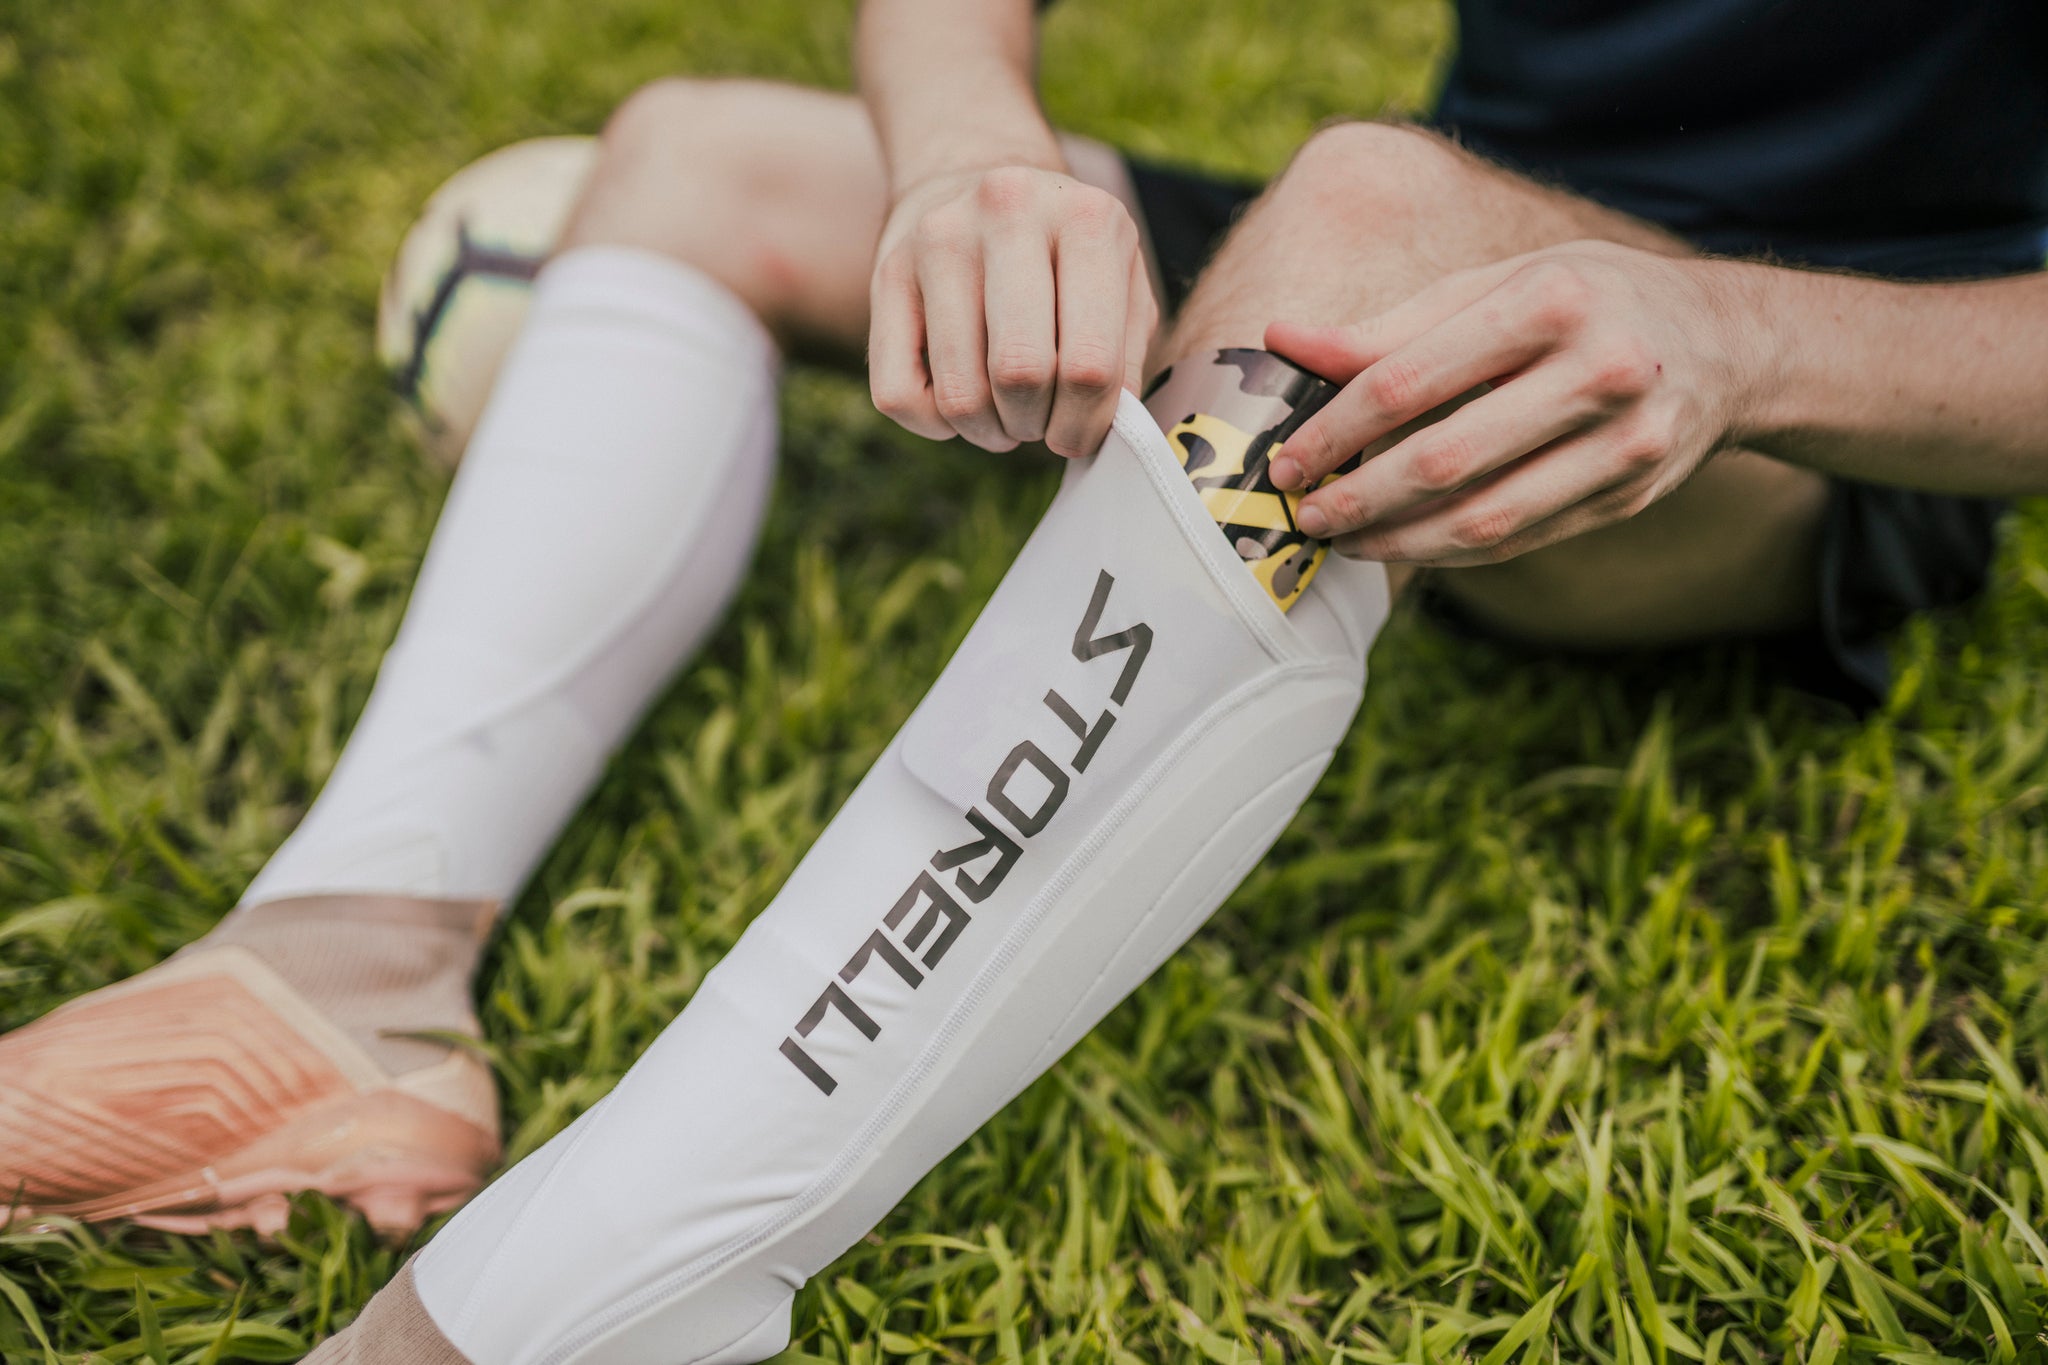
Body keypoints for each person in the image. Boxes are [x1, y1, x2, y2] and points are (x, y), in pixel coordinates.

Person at [5, 0, 2045, 1356]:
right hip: (1441, 272)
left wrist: (1742, 349)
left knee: (1368, 211)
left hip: (1826, 404)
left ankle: (603, 1287)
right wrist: (967, 148)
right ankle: (345, 964)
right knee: (698, 154)